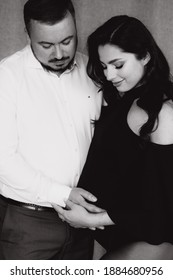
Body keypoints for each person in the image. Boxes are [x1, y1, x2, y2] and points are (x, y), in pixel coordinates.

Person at [53, 15, 173, 259]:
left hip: (151, 244)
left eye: (118, 65)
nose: (109, 75)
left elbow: (162, 208)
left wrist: (91, 218)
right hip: (112, 236)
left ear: (146, 56)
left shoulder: (161, 113)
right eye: (104, 66)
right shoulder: (123, 98)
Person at [0, 0, 103, 260]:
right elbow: (3, 160)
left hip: (83, 221)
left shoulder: (95, 72)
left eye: (67, 41)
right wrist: (65, 195)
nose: (59, 53)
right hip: (28, 223)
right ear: (28, 34)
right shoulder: (7, 77)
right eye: (46, 45)